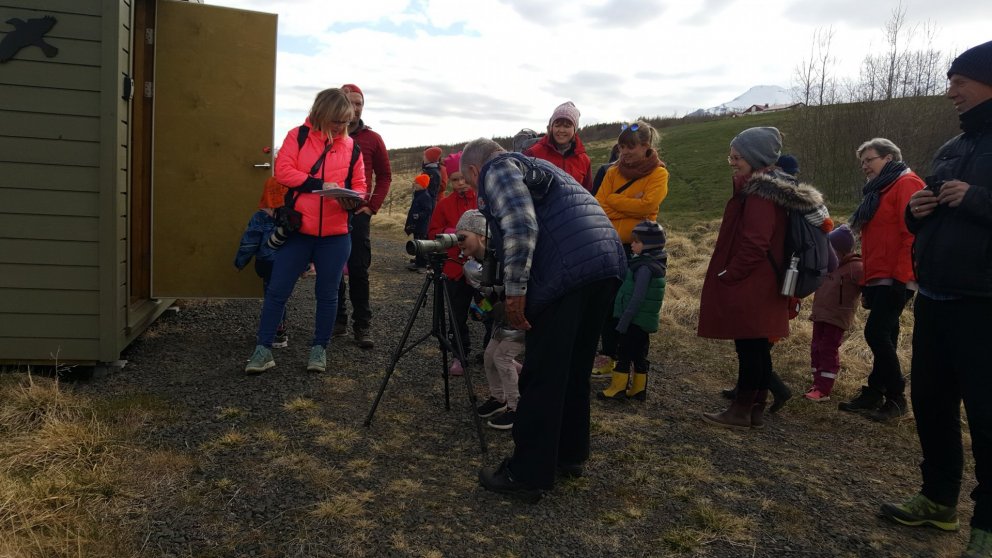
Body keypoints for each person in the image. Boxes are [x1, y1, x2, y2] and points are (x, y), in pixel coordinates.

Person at [460, 138, 626, 502]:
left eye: (473, 186)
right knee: (573, 369)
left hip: (567, 274)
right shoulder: (540, 167)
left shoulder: (496, 168)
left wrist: (516, 290)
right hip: (606, 264)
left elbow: (520, 225)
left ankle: (527, 474)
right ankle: (569, 454)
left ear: (474, 170)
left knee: (543, 372)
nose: (478, 191)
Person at [880, 40, 992, 557]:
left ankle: (987, 526)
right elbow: (919, 221)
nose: (951, 92)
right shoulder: (952, 147)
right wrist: (916, 211)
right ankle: (938, 500)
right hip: (936, 296)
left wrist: (978, 199)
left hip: (985, 304)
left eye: (960, 81)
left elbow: (977, 208)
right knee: (931, 403)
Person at [698, 126, 828, 430]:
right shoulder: (774, 188)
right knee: (756, 346)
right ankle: (754, 407)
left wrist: (731, 274)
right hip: (768, 280)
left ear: (755, 158)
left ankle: (741, 410)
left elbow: (755, 242)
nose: (732, 161)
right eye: (731, 155)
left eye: (737, 156)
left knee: (750, 348)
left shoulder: (760, 193)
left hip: (755, 281)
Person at [244, 88, 366, 374]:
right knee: (277, 290)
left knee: (327, 294)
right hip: (298, 231)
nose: (341, 128)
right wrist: (319, 185)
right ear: (321, 113)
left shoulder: (353, 147)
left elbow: (360, 184)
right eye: (337, 121)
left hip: (336, 235)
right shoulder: (296, 136)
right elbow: (283, 171)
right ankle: (263, 350)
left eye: (346, 123)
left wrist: (353, 198)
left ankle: (319, 350)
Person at [836, 137, 923, 422]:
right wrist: (868, 280)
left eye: (869, 160)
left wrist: (902, 279)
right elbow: (875, 238)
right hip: (879, 275)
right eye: (862, 162)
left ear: (888, 158)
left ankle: (897, 398)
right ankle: (876, 391)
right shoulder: (880, 190)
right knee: (888, 332)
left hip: (897, 275)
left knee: (876, 333)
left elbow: (911, 234)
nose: (864, 166)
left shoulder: (906, 184)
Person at [591, 121, 669, 379]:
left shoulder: (659, 174)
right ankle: (609, 355)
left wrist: (614, 200)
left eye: (630, 147)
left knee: (634, 304)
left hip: (640, 250)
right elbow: (600, 204)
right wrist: (628, 203)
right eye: (621, 146)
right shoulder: (613, 171)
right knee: (608, 302)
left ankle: (634, 362)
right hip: (611, 245)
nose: (624, 152)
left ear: (646, 147)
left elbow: (648, 206)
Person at [334, 83, 392, 350]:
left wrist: (372, 207)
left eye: (359, 103)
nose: (355, 107)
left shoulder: (372, 138)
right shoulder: (326, 135)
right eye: (350, 102)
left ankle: (362, 324)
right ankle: (337, 320)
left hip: (358, 214)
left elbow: (385, 176)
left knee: (358, 269)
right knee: (331, 268)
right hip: (330, 213)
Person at [456, 209, 524, 431]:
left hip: (518, 316)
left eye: (463, 237)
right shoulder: (473, 266)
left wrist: (500, 307)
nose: (459, 243)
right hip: (501, 321)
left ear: (482, 236)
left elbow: (513, 289)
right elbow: (485, 296)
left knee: (503, 358)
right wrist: (481, 310)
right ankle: (499, 398)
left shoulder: (504, 259)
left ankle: (516, 408)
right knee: (489, 356)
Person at [598, 220, 667, 401]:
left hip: (634, 320)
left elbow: (637, 298)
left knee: (624, 354)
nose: (632, 245)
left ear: (648, 246)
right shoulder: (653, 264)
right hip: (642, 321)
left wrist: (624, 321)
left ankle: (617, 388)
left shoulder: (644, 268)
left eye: (636, 242)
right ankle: (638, 389)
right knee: (639, 354)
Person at [426, 170, 478, 375]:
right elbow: (432, 234)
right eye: (456, 179)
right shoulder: (444, 205)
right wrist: (451, 235)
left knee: (491, 311)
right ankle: (459, 353)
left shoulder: (484, 200)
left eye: (464, 178)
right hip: (454, 268)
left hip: (483, 270)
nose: (461, 183)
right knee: (457, 314)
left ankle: (495, 353)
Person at [804, 224, 863, 402]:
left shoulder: (856, 268)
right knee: (816, 348)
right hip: (819, 314)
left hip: (836, 317)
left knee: (828, 349)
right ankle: (817, 383)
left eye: (831, 249)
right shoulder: (828, 264)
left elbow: (867, 285)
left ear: (842, 251)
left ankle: (824, 389)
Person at [234, 177, 294, 348]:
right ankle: (279, 330)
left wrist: (240, 261)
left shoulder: (260, 217)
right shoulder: (293, 217)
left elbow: (249, 242)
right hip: (287, 264)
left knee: (271, 295)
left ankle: (274, 330)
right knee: (280, 296)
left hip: (266, 263)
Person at [523, 101, 593, 191]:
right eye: (557, 125)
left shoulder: (584, 160)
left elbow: (588, 192)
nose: (561, 130)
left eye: (567, 126)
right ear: (551, 127)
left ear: (575, 129)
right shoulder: (533, 153)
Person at [404, 174, 433, 272]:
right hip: (417, 225)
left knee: (421, 245)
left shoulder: (425, 196)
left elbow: (428, 211)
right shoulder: (419, 195)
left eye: (417, 183)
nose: (414, 184)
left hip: (422, 226)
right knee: (417, 243)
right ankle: (418, 263)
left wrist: (418, 216)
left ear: (422, 184)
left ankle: (423, 265)